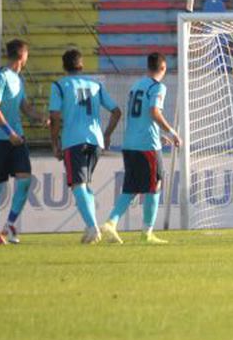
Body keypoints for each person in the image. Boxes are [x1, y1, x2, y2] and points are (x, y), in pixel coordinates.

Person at [101, 52, 180, 245]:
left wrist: (158, 133)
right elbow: (153, 111)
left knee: (132, 187)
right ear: (163, 68)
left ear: (148, 67)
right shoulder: (158, 86)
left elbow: (140, 116)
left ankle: (111, 222)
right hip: (147, 145)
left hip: (130, 144)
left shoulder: (137, 86)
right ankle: (147, 233)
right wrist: (171, 132)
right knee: (155, 186)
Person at [49, 49, 121, 244]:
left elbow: (54, 116)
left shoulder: (59, 85)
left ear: (64, 66)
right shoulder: (95, 84)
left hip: (74, 141)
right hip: (95, 141)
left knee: (78, 184)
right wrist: (106, 135)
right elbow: (116, 111)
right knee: (84, 184)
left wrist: (55, 143)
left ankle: (92, 227)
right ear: (81, 65)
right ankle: (92, 226)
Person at [0, 39, 46, 245]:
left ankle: (10, 223)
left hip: (16, 139)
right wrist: (8, 132)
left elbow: (24, 107)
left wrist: (40, 117)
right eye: (27, 54)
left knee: (25, 180)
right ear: (22, 56)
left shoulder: (18, 79)